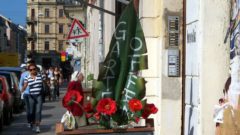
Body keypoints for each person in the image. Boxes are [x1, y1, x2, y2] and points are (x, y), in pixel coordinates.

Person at [21, 63, 44, 133]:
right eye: (31, 70)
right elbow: (25, 85)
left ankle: (37, 126)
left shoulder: (41, 76)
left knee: (38, 111)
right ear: (29, 70)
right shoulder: (27, 77)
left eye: (34, 69)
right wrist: (22, 90)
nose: (33, 71)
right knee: (31, 112)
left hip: (39, 95)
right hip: (31, 96)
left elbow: (46, 82)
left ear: (36, 69)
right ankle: (32, 123)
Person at [19, 60, 35, 128]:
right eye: (31, 68)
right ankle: (30, 121)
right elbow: (20, 84)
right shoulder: (24, 74)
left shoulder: (35, 74)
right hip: (26, 93)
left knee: (31, 108)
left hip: (32, 93)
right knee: (29, 109)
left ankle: (31, 121)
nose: (32, 69)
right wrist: (22, 90)